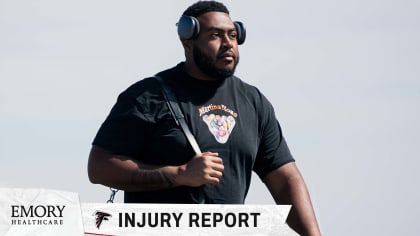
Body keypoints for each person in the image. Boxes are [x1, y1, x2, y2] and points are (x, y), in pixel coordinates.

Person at [88, 1, 321, 235]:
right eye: (215, 35)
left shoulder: (254, 102)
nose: (228, 43)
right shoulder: (147, 96)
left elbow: (285, 179)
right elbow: (99, 167)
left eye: (233, 34)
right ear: (187, 41)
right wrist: (180, 174)